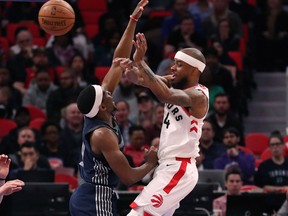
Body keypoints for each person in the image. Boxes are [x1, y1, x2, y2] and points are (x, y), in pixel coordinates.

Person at [69, 1, 158, 215]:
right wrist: (150, 164)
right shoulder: (102, 134)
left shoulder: (99, 111)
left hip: (94, 194)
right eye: (107, 94)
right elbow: (128, 177)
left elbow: (117, 62)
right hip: (94, 197)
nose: (111, 93)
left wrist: (133, 20)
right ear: (101, 106)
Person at [117, 33, 209, 215]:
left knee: (138, 213)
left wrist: (142, 62)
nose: (173, 68)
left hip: (179, 167)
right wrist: (133, 69)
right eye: (174, 62)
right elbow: (144, 80)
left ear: (194, 71)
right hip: (168, 166)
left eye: (179, 64)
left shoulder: (198, 96)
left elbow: (164, 95)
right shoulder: (173, 81)